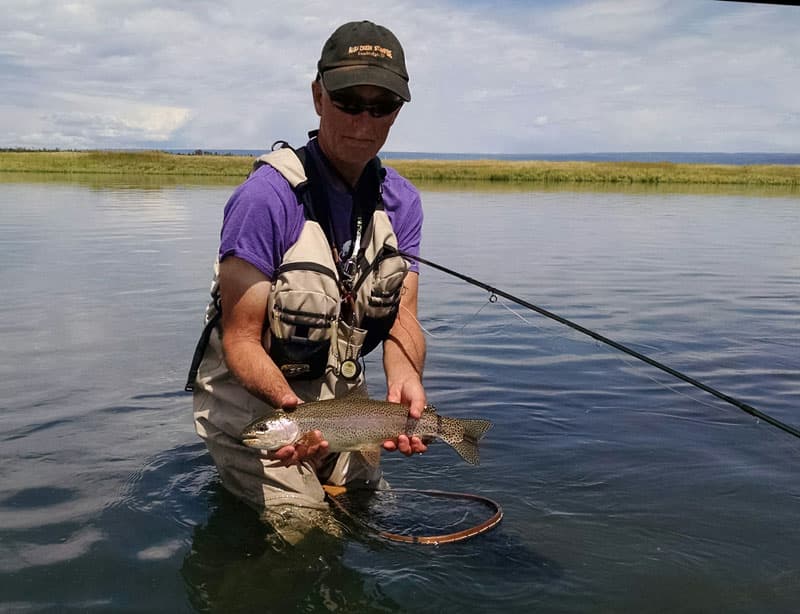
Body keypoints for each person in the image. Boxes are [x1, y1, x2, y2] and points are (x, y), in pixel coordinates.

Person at [187, 20, 427, 539]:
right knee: (307, 531)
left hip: (342, 399)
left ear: (398, 111)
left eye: (381, 106)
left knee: (362, 506)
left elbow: (403, 316)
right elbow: (240, 338)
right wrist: (294, 416)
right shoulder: (265, 199)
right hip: (256, 399)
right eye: (348, 101)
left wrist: (408, 379)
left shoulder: (402, 202)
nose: (364, 121)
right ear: (318, 96)